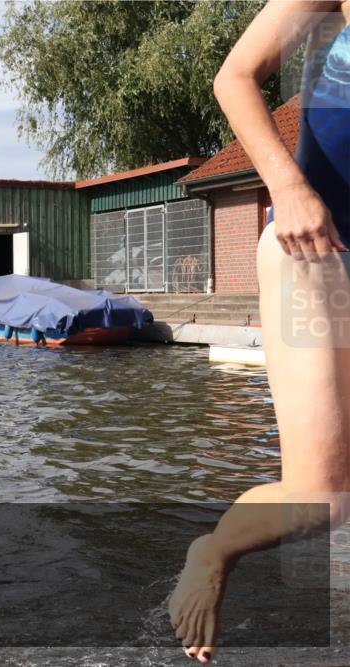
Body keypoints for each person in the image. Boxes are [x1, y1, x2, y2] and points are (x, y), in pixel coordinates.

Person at [168, 4, 350, 665]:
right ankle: (214, 551)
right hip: (316, 249)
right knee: (321, 498)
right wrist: (287, 185)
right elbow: (235, 76)